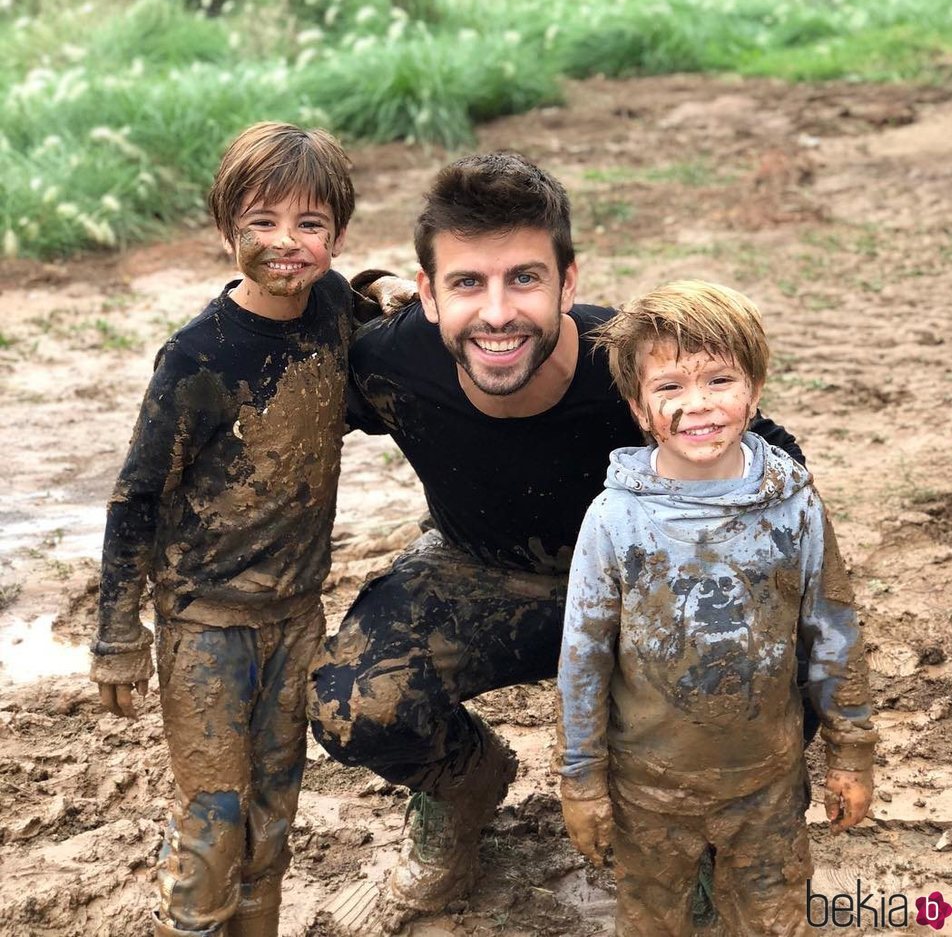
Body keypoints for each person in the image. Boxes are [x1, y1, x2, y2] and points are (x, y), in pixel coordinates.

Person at [308, 152, 806, 930]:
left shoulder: (632, 365)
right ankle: (466, 786)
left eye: (525, 279)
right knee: (353, 705)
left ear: (568, 285)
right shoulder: (389, 360)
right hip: (476, 570)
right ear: (429, 292)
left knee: (766, 657)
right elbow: (278, 392)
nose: (498, 312)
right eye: (468, 282)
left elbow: (776, 462)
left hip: (638, 595)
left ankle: (704, 835)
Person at [90, 122, 356, 937]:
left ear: (336, 235)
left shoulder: (338, 307)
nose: (287, 243)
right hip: (207, 624)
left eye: (310, 225)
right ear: (225, 227)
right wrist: (115, 635)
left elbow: (366, 297)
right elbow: (135, 498)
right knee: (214, 817)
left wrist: (385, 285)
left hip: (295, 615)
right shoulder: (197, 357)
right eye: (263, 222)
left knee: (275, 812)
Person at [557, 280, 876, 937]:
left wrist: (852, 754)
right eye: (670, 385)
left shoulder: (795, 506)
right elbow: (582, 657)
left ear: (754, 390)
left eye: (720, 379)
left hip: (766, 787)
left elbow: (835, 634)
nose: (697, 404)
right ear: (640, 407)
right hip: (646, 794)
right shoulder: (616, 518)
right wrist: (582, 782)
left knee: (773, 921)